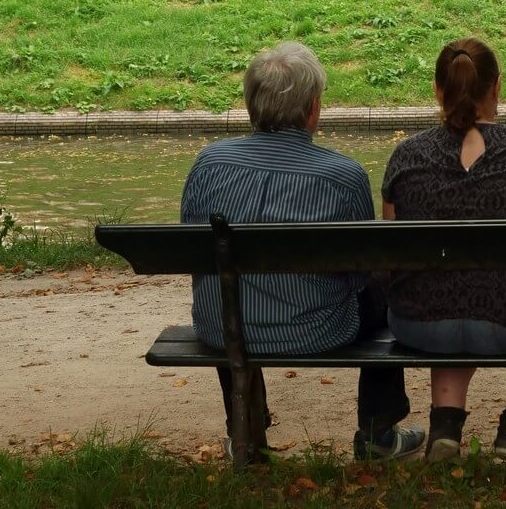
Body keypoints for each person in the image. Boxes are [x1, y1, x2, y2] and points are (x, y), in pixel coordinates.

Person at [181, 42, 424, 462]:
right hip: (318, 329)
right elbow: (360, 272)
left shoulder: (208, 163)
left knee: (227, 288)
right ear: (312, 108)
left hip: (224, 328)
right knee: (385, 286)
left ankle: (245, 433)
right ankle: (377, 433)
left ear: (250, 105)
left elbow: (194, 249)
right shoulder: (343, 176)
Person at [382, 38, 506, 468]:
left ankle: (445, 427)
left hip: (421, 323)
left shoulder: (407, 156)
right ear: (497, 87)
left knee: (448, 284)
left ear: (438, 90)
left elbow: (393, 253)